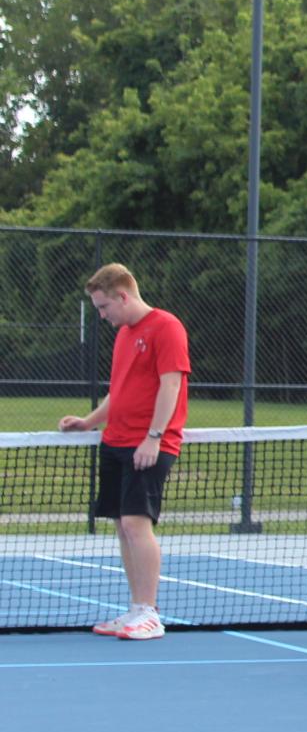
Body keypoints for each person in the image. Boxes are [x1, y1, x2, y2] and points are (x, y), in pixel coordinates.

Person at [61, 264, 189, 642]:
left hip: (147, 445)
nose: (103, 316)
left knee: (136, 524)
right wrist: (89, 422)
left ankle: (149, 613)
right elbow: (119, 392)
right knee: (122, 525)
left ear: (122, 295)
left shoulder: (167, 327)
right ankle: (136, 608)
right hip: (115, 441)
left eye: (104, 307)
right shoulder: (124, 336)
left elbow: (171, 385)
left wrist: (153, 437)